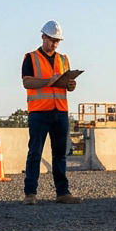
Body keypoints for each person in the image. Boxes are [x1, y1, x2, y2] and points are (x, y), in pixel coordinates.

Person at [21, 20, 80, 204]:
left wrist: (71, 85)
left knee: (60, 154)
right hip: (39, 113)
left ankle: (63, 193)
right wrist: (48, 81)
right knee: (35, 153)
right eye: (51, 40)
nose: (54, 43)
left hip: (60, 112)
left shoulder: (63, 59)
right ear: (43, 37)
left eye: (57, 41)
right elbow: (27, 82)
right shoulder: (30, 58)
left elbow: (65, 86)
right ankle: (30, 194)